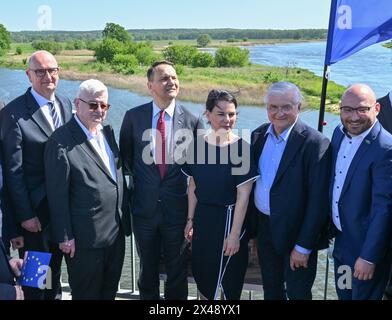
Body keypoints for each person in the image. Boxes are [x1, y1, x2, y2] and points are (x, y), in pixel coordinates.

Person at [120, 61, 204, 300]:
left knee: (177, 272)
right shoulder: (133, 117)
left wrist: (191, 217)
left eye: (174, 78)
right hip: (144, 211)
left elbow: (198, 169)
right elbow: (127, 161)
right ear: (150, 85)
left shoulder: (192, 119)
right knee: (147, 272)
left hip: (177, 213)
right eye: (164, 78)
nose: (172, 82)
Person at [44, 79, 131, 300]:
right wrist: (65, 236)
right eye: (93, 105)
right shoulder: (61, 140)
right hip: (84, 241)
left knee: (108, 293)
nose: (99, 110)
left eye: (104, 106)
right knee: (87, 295)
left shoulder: (107, 134)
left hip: (114, 233)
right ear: (77, 103)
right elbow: (57, 193)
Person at [0, 50, 73, 300]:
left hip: (62, 214)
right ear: (28, 75)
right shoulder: (12, 114)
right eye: (40, 71)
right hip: (35, 220)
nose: (47, 76)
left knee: (55, 280)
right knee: (35, 283)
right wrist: (25, 216)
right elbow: (13, 172)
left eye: (52, 70)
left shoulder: (65, 103)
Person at [250, 82, 331, 300]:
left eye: (286, 107)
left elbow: (318, 202)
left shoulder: (316, 143)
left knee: (298, 294)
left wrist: (304, 246)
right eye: (273, 107)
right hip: (265, 230)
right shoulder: (258, 136)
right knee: (271, 290)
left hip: (297, 234)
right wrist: (254, 234)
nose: (279, 113)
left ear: (299, 107)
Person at [182, 89, 259, 300]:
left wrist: (234, 235)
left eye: (232, 114)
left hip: (229, 223)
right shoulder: (196, 145)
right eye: (221, 113)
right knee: (204, 278)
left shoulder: (241, 148)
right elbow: (193, 186)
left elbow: (244, 196)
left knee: (228, 283)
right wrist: (190, 219)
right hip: (203, 222)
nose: (227, 119)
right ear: (207, 115)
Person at [330, 84, 392, 300]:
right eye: (347, 109)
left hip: (365, 252)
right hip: (341, 245)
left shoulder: (386, 149)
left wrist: (369, 257)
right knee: (344, 295)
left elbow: (384, 209)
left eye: (362, 109)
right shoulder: (338, 134)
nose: (353, 117)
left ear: (377, 108)